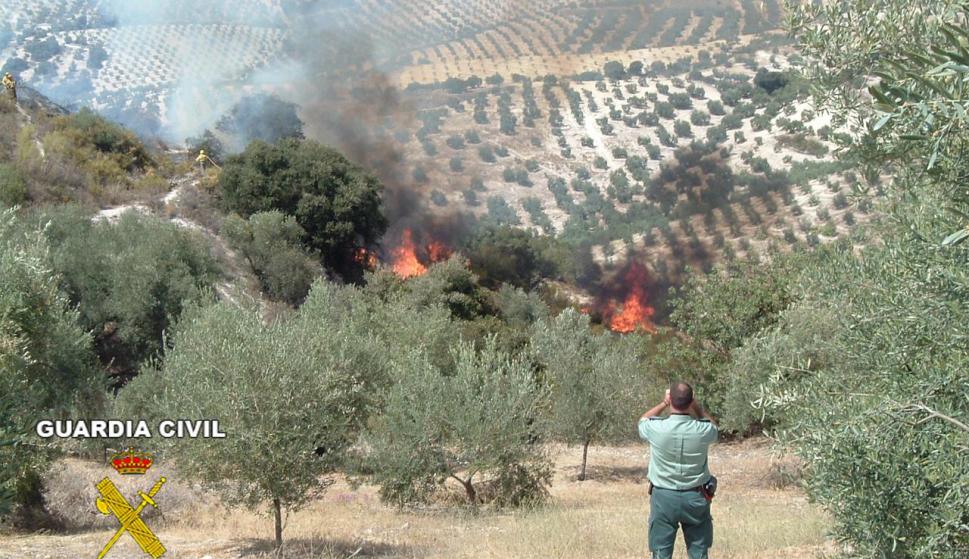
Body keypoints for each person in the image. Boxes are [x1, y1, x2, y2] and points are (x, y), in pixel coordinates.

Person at [638, 382, 718, 559]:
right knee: (699, 552)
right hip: (696, 497)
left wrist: (663, 404)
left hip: (663, 498)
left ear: (671, 400)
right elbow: (714, 427)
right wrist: (696, 405)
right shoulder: (703, 430)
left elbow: (642, 420)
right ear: (690, 401)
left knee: (660, 553)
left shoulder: (656, 428)